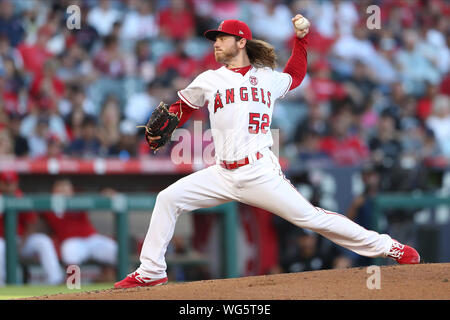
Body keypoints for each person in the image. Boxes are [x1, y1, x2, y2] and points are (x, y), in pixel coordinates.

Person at [115, 16, 420, 289]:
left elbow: (296, 76)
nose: (216, 44)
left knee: (312, 218)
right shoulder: (209, 79)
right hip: (222, 172)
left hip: (260, 171)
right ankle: (152, 269)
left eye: (221, 38)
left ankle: (389, 247)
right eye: (215, 40)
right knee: (168, 199)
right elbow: (182, 108)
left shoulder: (267, 77)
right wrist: (164, 127)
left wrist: (302, 40)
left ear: (241, 42)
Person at [41, 179, 118, 282]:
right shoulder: (49, 206)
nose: (64, 192)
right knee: (69, 252)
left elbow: (98, 198)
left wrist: (104, 195)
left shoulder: (78, 200)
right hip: (72, 242)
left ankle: (118, 279)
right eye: (61, 189)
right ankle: (73, 285)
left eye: (66, 189)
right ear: (54, 192)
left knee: (114, 249)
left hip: (92, 239)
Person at [0, 171, 63, 285]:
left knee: (43, 241)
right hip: (2, 241)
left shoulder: (21, 197)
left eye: (11, 183)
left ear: (16, 183)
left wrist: (22, 244)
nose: (9, 186)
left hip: (20, 241)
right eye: (5, 183)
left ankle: (55, 280)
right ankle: (2, 284)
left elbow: (32, 223)